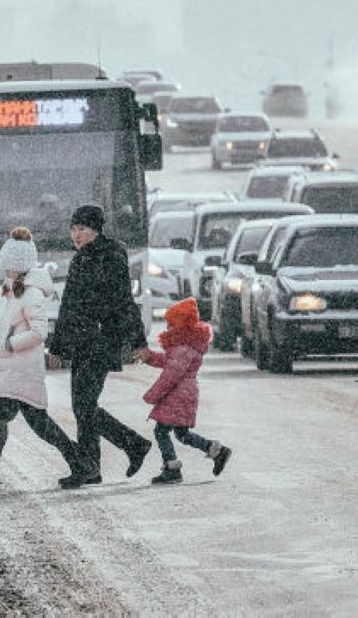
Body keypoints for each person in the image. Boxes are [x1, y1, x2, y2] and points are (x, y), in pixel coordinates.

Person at [0, 227, 97, 491]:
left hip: (21, 372)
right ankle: (82, 464)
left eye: (5, 265)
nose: (2, 269)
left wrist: (10, 344)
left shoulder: (30, 293)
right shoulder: (16, 290)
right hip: (15, 371)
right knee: (35, 425)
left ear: (15, 265)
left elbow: (39, 331)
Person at [46, 204, 153, 485]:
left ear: (96, 229)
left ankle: (127, 448)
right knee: (83, 405)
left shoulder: (111, 256)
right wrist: (56, 347)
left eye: (81, 229)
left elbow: (124, 302)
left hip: (103, 339)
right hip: (82, 341)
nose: (75, 235)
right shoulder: (79, 259)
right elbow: (67, 306)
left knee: (84, 405)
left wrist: (138, 341)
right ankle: (94, 466)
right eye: (73, 229)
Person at [141, 297, 233, 484]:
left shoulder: (182, 349)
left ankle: (172, 468)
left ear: (180, 325)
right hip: (184, 394)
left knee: (161, 431)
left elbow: (170, 375)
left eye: (170, 324)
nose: (166, 328)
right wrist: (149, 357)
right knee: (182, 434)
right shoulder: (184, 347)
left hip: (178, 395)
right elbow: (166, 360)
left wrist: (152, 395)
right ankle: (215, 450)